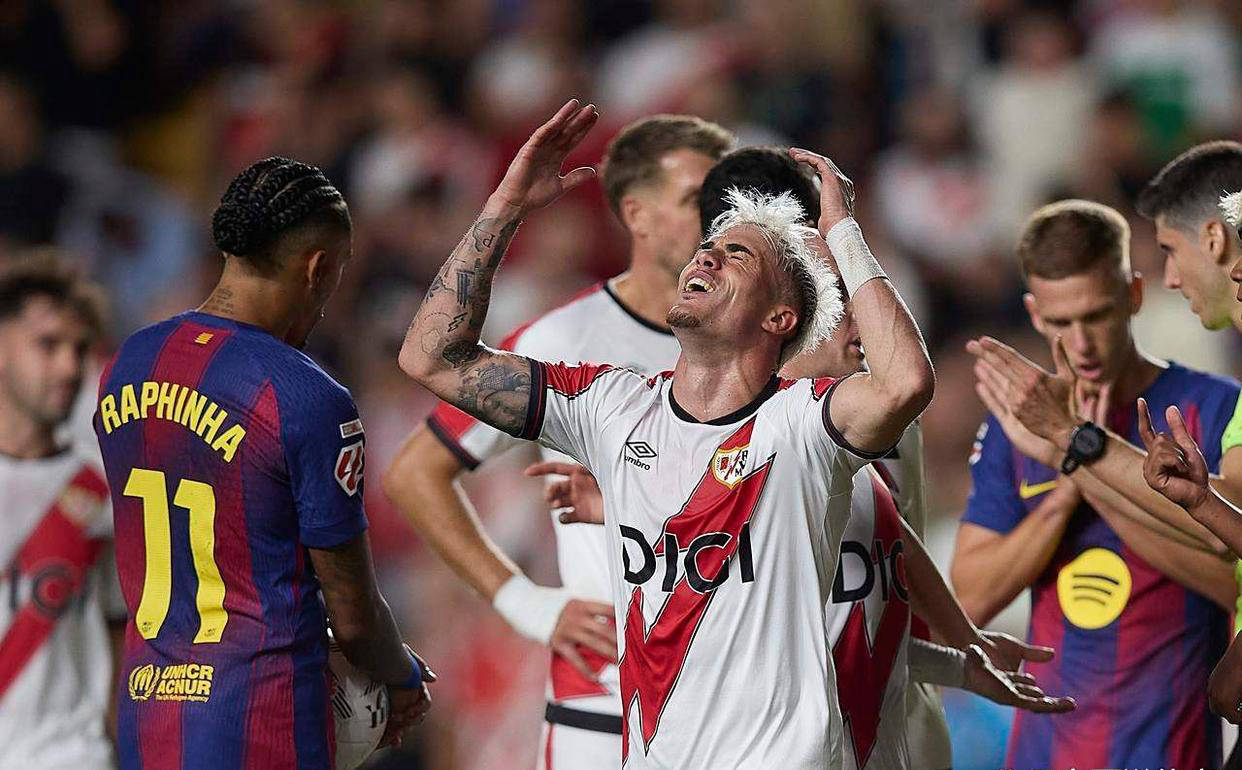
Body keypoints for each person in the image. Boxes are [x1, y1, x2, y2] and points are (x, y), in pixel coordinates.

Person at [398, 99, 1057, 767]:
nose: (705, 256)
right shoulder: (608, 405)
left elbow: (905, 386)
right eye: (706, 248)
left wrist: (843, 232)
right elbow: (430, 360)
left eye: (735, 253)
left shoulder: (804, 426)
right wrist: (504, 209)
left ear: (780, 317)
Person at [381, 113, 732, 768]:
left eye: (725, 199)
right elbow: (415, 472)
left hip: (741, 700)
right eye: (696, 198)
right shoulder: (565, 341)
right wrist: (525, 604)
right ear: (637, 213)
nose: (718, 219)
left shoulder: (762, 342)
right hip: (605, 701)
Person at [93, 157, 433, 769]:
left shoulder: (128, 364)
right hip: (260, 720)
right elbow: (354, 617)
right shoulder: (306, 397)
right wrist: (404, 677)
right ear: (318, 267)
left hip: (147, 717)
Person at [956, 199, 1239, 769]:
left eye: (1097, 315)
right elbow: (970, 601)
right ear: (1035, 314)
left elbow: (1230, 577)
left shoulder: (1213, 407)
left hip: (1172, 752)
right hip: (1044, 755)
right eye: (1061, 323)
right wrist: (1067, 491)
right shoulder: (1019, 427)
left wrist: (1083, 457)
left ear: (1133, 295)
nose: (1081, 343)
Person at [0, 255, 124, 769]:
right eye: (48, 345)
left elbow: (121, 636)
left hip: (73, 755)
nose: (70, 368)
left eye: (79, 349)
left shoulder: (101, 494)